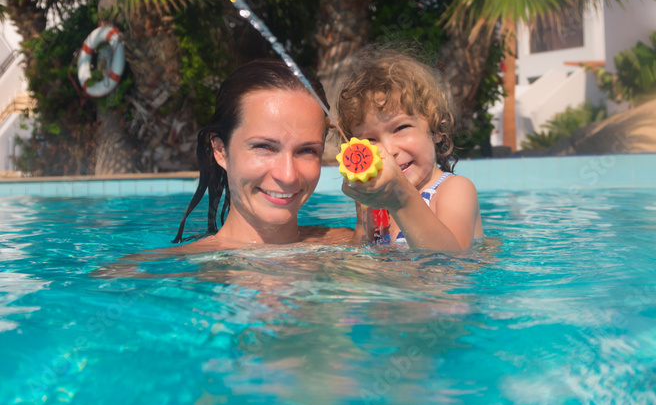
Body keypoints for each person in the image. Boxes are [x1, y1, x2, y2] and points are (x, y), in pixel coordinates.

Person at [173, 58, 359, 250]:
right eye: (264, 147)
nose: (288, 176)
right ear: (220, 151)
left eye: (306, 150)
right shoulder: (173, 270)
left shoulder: (359, 242)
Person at [337, 45, 484, 253]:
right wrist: (364, 220)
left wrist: (402, 198)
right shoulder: (379, 203)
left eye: (401, 128)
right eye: (370, 140)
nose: (387, 150)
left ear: (435, 128)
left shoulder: (455, 189)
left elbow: (452, 263)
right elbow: (364, 257)